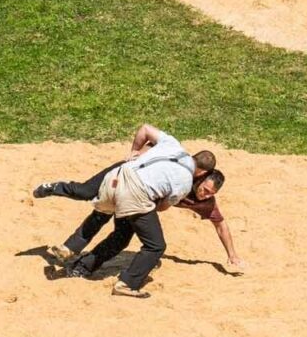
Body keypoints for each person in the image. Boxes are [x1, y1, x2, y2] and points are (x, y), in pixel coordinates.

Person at [32, 125, 227, 297]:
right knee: (155, 246)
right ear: (203, 173)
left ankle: (79, 264)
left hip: (118, 175)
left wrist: (134, 151)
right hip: (136, 194)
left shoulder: (173, 144)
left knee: (108, 221)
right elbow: (163, 207)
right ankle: (127, 283)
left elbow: (144, 129)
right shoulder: (185, 182)